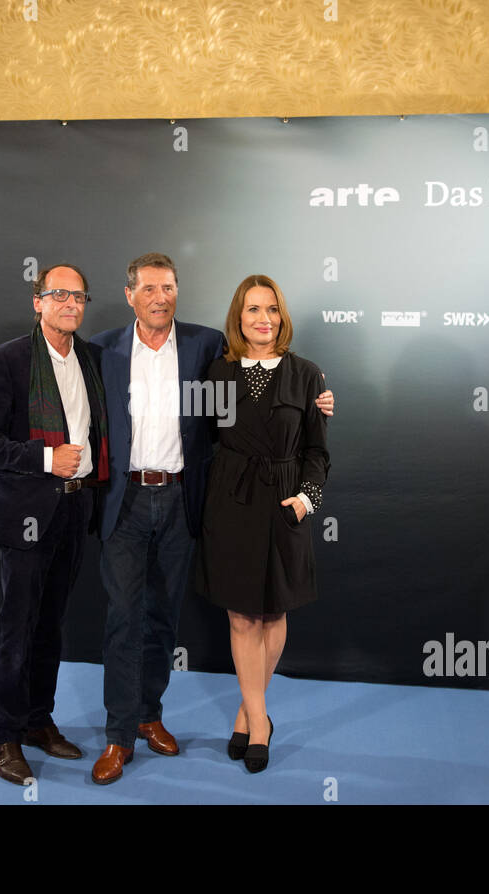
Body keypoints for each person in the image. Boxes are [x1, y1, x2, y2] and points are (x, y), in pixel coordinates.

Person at [88, 254, 334, 785]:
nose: (160, 296)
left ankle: (175, 715)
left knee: (164, 620)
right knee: (125, 618)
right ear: (130, 293)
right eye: (149, 288)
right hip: (137, 501)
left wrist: (318, 405)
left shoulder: (207, 351)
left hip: (184, 502)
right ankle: (118, 736)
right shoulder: (113, 351)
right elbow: (216, 429)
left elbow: (296, 437)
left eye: (169, 287)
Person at [0, 263, 109, 785]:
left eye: (78, 296)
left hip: (75, 511)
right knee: (17, 627)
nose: (71, 304)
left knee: (51, 625)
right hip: (27, 510)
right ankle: (6, 734)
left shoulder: (92, 359)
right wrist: (48, 459)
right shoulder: (9, 360)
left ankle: (37, 721)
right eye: (59, 294)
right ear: (38, 301)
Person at [195, 275, 329, 773]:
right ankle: (260, 719)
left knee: (274, 612)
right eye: (252, 310)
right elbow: (202, 436)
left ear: (282, 315)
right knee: (241, 616)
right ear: (238, 317)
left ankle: (249, 714)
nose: (263, 319)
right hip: (231, 502)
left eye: (271, 309)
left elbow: (317, 451)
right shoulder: (217, 374)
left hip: (285, 501)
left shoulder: (307, 375)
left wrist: (308, 500)